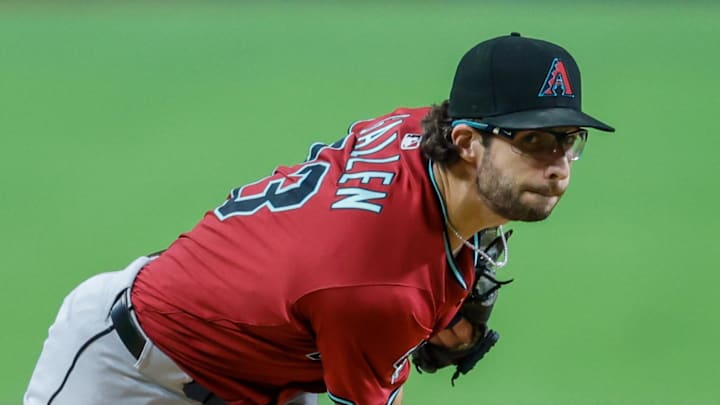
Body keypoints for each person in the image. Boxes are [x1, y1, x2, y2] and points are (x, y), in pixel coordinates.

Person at [25, 32, 614, 405]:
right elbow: (369, 278)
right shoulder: (377, 290)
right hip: (126, 370)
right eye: (532, 139)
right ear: (465, 141)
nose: (557, 163)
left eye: (568, 139)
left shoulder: (418, 131)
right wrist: (401, 335)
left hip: (258, 365)